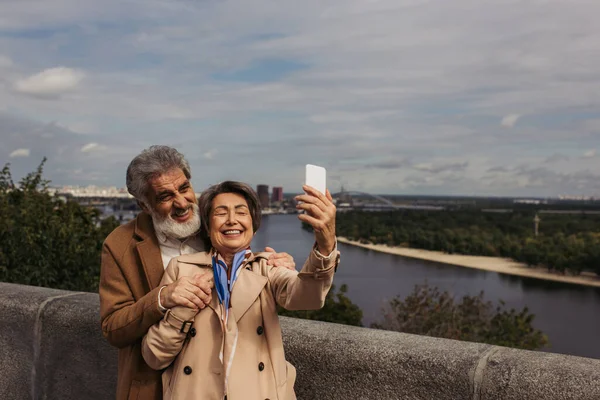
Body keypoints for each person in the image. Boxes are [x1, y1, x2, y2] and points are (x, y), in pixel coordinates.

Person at [99, 146, 296, 400]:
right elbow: (113, 328)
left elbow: (246, 268)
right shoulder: (119, 245)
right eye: (164, 196)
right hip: (151, 386)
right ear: (144, 205)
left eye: (184, 188)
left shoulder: (215, 223)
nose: (181, 203)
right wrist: (161, 298)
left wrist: (275, 261)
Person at [141, 181, 339, 400]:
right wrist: (184, 310)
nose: (232, 220)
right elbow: (154, 356)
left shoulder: (268, 267)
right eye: (221, 212)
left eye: (241, 212)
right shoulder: (181, 268)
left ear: (253, 225)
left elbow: (306, 297)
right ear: (208, 225)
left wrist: (325, 244)